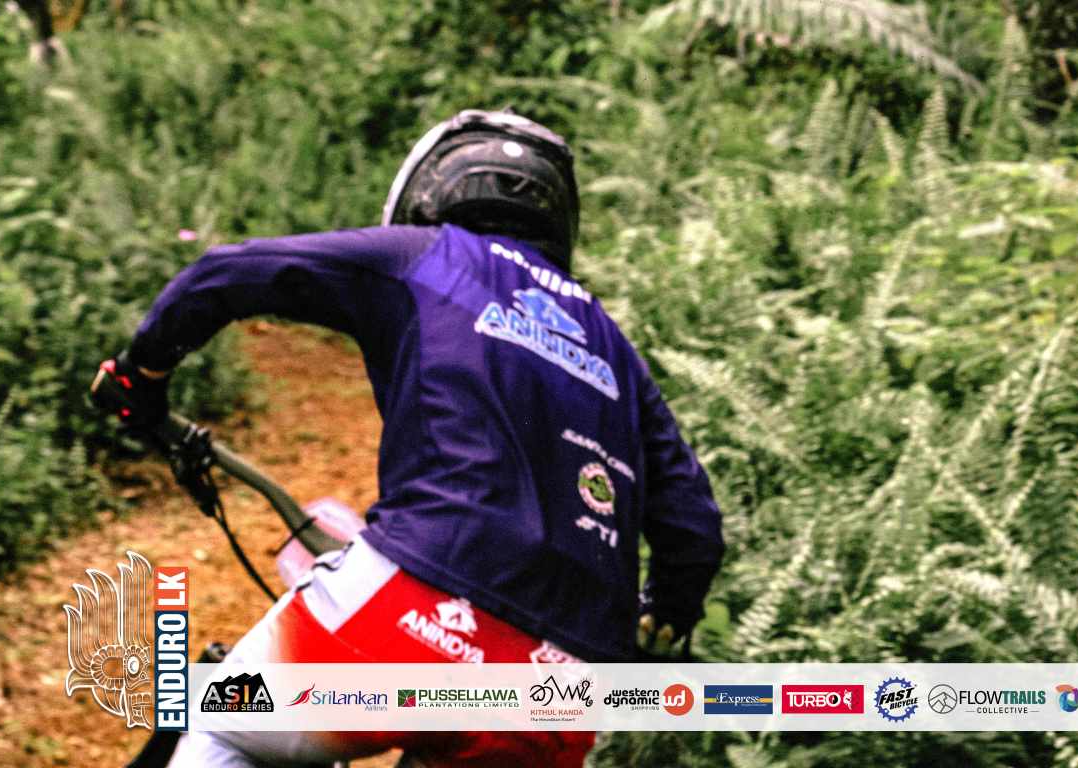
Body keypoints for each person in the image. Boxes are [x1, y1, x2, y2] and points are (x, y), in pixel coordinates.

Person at [91, 109, 725, 767]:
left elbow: (225, 272)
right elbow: (694, 527)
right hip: (562, 685)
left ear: (428, 189)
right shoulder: (612, 345)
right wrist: (662, 616)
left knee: (224, 721)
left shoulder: (425, 256)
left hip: (412, 610)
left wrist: (141, 377)